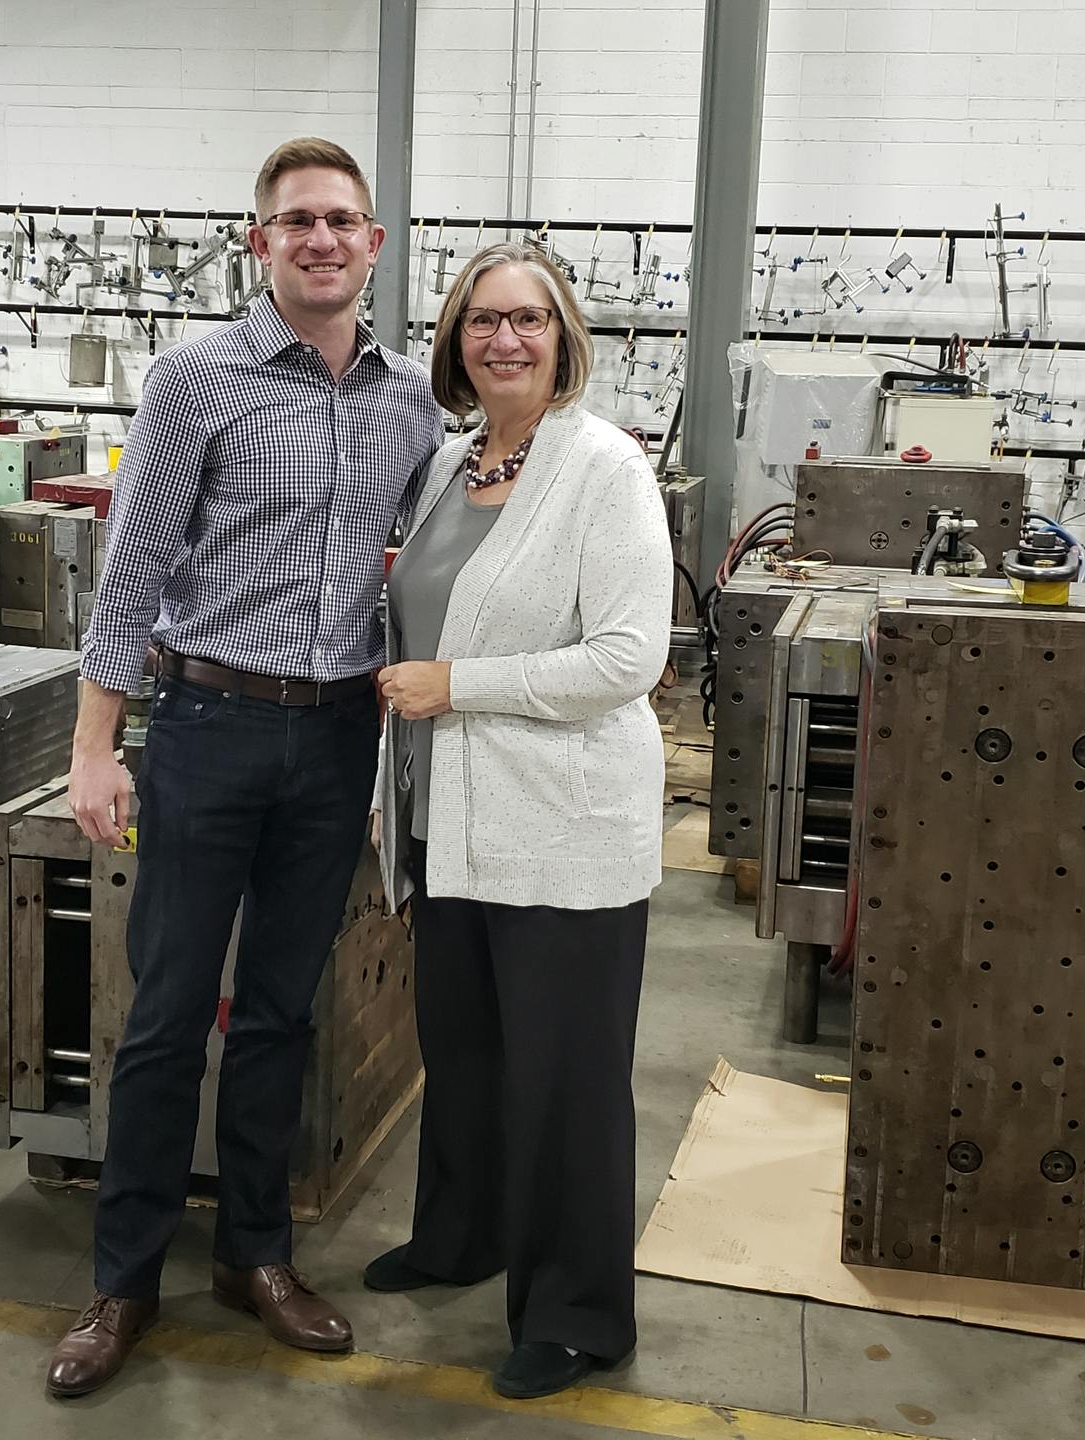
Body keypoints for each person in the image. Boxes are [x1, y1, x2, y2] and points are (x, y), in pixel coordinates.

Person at [46, 137, 442, 1399]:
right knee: (165, 1019)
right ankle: (124, 1281)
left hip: (336, 739)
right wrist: (94, 745)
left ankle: (255, 1255)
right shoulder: (192, 383)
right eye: (297, 222)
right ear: (259, 242)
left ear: (374, 246)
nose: (321, 240)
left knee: (280, 1010)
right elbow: (135, 572)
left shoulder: (407, 404)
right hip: (207, 728)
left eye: (343, 221)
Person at [363, 241, 673, 1400]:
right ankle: (461, 1237)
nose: (505, 339)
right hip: (452, 826)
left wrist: (459, 685)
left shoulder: (605, 469)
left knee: (566, 1084)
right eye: (483, 321)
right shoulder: (451, 465)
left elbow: (629, 657)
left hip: (564, 830)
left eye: (528, 320)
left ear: (563, 338)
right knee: (470, 1058)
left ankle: (581, 1312)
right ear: (455, 343)